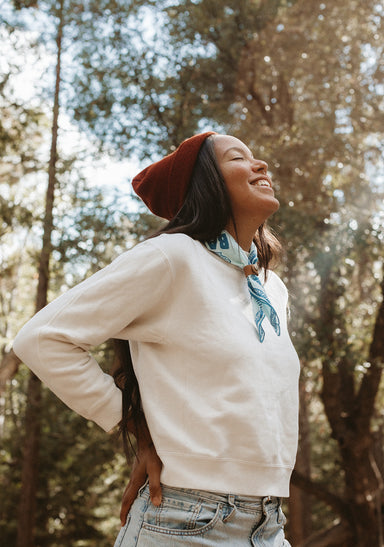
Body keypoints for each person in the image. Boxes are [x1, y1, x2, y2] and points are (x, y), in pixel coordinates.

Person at [13, 132, 300, 546]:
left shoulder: (271, 287)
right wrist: (133, 426)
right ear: (206, 184)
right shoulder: (173, 256)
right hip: (185, 522)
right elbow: (42, 338)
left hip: (269, 525)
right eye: (238, 157)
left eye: (256, 157)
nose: (261, 166)